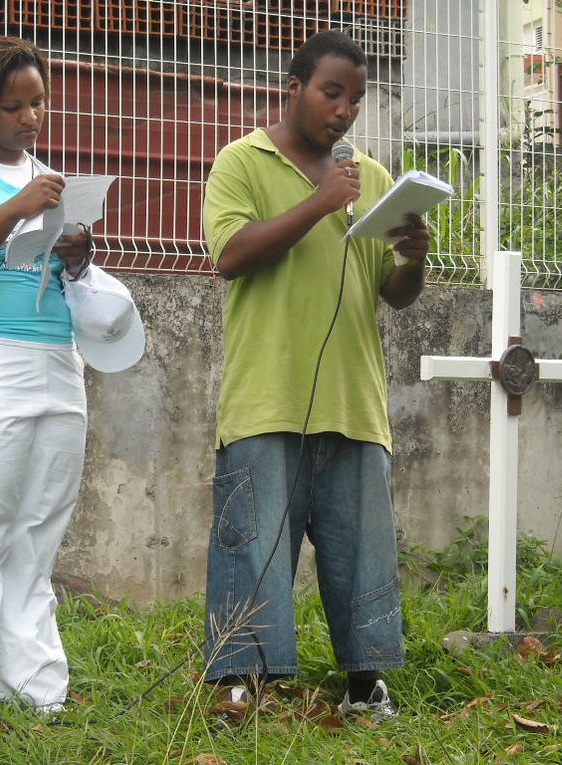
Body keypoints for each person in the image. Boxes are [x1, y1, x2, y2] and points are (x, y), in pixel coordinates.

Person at [201, 30, 430, 723]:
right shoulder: (242, 162)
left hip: (352, 401)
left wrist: (414, 257)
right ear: (294, 87)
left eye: (356, 99)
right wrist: (319, 203)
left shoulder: (372, 178)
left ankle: (365, 685)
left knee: (360, 553)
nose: (345, 110)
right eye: (333, 92)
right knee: (255, 545)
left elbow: (394, 293)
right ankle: (245, 682)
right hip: (267, 399)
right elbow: (232, 254)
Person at [0, 36, 142, 715]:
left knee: (37, 533)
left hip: (55, 362)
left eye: (38, 102)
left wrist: (76, 249)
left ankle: (37, 694)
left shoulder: (50, 179)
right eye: (13, 106)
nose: (30, 117)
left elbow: (58, 272)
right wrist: (17, 209)